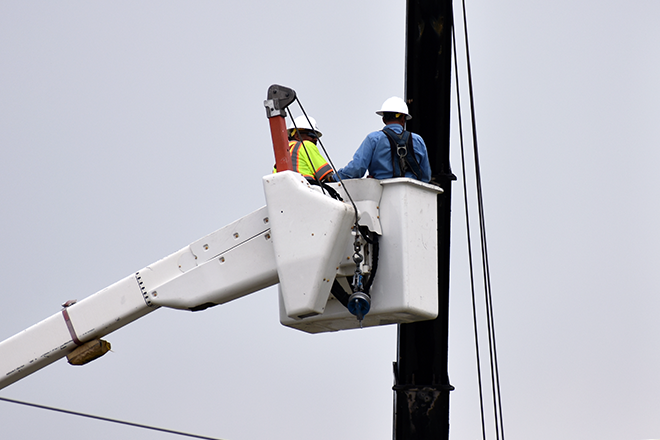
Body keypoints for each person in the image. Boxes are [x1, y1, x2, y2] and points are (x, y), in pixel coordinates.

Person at [336, 97, 431, 182]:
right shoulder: (418, 140)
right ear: (403, 119)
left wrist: (335, 178)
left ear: (384, 119)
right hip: (412, 195)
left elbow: (356, 169)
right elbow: (426, 176)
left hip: (381, 196)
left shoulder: (373, 139)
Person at [274, 115, 335, 182]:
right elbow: (327, 175)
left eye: (316, 137)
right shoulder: (305, 145)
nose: (315, 139)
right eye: (312, 135)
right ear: (297, 136)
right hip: (307, 187)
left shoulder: (281, 158)